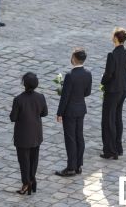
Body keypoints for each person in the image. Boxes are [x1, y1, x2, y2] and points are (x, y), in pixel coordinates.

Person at [55, 48, 92, 176]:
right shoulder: (88, 73)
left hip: (70, 111)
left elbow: (65, 97)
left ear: (73, 59)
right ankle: (78, 165)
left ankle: (71, 167)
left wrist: (60, 113)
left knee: (70, 139)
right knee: (79, 137)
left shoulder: (70, 76)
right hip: (81, 109)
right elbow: (87, 92)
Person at [10, 72, 48, 195]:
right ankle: (32, 180)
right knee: (34, 159)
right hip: (36, 133)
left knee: (24, 160)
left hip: (22, 135)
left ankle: (26, 183)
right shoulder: (41, 97)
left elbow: (13, 118)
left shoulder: (19, 99)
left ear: (24, 84)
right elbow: (44, 113)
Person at [100, 27, 126, 160]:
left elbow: (108, 74)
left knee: (108, 120)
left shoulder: (112, 55)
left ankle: (110, 150)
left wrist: (103, 80)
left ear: (115, 38)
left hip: (112, 91)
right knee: (118, 118)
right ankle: (118, 147)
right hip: (123, 88)